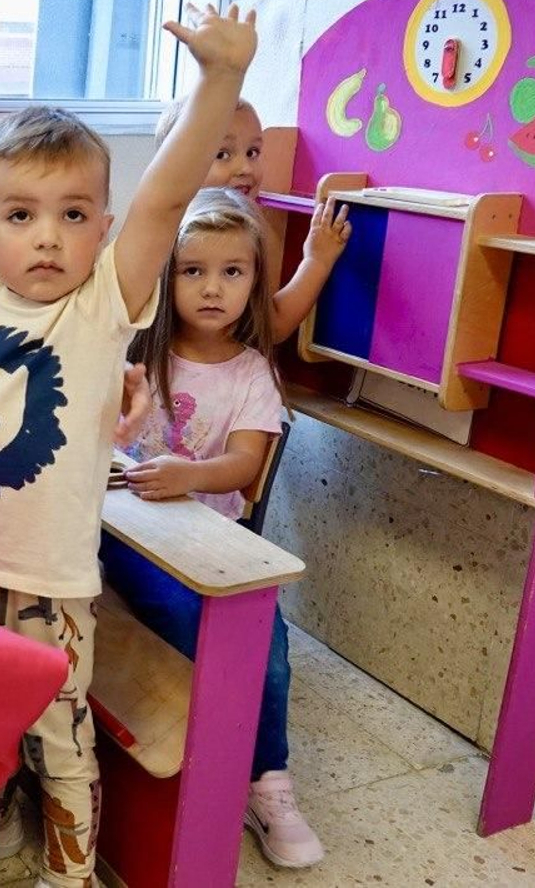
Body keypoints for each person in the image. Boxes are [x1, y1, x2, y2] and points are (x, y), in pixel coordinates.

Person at [0, 0, 257, 888]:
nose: (47, 238)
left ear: (101, 225)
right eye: (21, 215)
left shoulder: (106, 304)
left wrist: (222, 77)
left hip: (50, 586)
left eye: (72, 214)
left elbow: (168, 195)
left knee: (62, 739)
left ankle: (71, 876)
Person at [100, 186, 324, 868]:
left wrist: (186, 476)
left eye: (233, 272)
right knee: (185, 620)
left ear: (255, 281)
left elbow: (244, 463)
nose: (212, 288)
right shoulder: (143, 349)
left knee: (268, 643)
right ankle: (213, 753)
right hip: (130, 535)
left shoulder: (253, 371)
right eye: (193, 270)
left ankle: (269, 782)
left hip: (212, 542)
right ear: (169, 278)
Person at [154, 96, 352, 336]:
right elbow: (274, 326)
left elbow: (272, 322)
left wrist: (317, 260)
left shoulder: (245, 232)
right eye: (222, 155)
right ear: (172, 166)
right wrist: (316, 262)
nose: (245, 168)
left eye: (252, 152)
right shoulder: (165, 233)